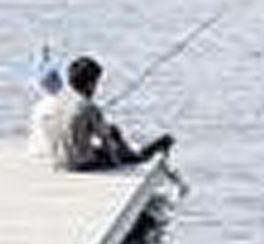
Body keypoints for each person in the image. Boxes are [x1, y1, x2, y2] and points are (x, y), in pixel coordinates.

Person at [43, 54, 173, 170]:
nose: (96, 87)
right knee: (116, 134)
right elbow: (106, 140)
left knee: (109, 132)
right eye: (96, 83)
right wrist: (118, 162)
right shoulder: (89, 107)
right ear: (90, 84)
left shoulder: (59, 101)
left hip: (60, 161)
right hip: (81, 164)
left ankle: (132, 153)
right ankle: (148, 154)